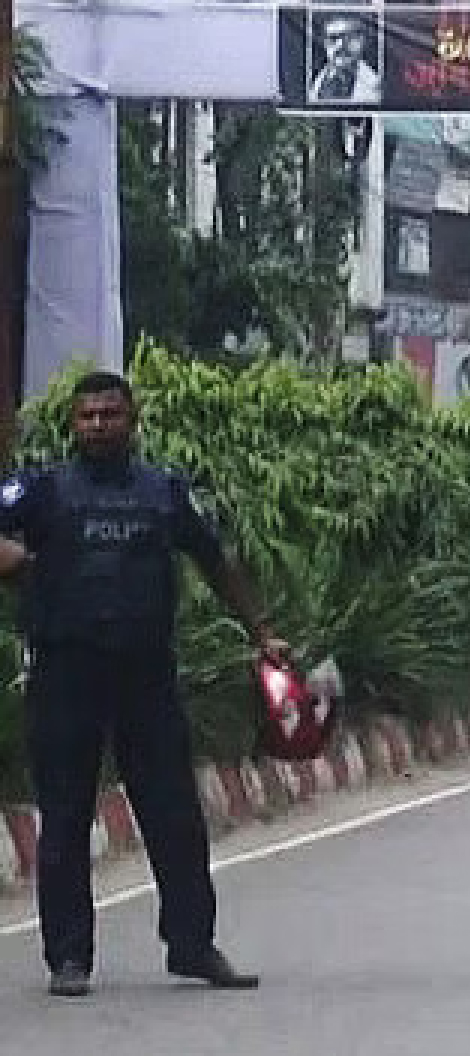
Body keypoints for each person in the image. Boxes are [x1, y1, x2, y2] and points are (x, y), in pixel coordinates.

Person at [0, 370, 289, 998]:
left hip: (145, 674)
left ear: (133, 420)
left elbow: (216, 559)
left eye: (110, 414)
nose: (98, 426)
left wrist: (262, 632)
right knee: (69, 817)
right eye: (87, 417)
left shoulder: (165, 493)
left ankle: (192, 946)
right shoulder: (43, 491)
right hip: (64, 673)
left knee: (174, 816)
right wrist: (14, 559)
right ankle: (69, 958)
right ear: (72, 425)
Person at [308, 12, 381, 104]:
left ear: (364, 40)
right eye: (333, 38)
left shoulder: (376, 86)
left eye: (349, 37)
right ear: (324, 43)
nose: (340, 46)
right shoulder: (312, 82)